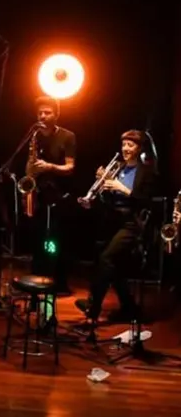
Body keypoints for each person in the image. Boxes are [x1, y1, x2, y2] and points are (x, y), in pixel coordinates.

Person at [76, 130, 157, 323]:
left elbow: (145, 200)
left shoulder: (146, 171)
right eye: (124, 145)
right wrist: (100, 187)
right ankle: (130, 308)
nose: (126, 149)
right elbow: (108, 198)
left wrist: (122, 188)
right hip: (113, 220)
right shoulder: (119, 168)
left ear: (139, 148)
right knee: (114, 268)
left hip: (132, 222)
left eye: (130, 145)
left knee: (107, 258)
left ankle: (93, 307)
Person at [25, 97, 76, 292]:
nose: (43, 116)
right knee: (37, 238)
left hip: (59, 194)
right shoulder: (35, 135)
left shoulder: (68, 136)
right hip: (39, 192)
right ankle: (37, 279)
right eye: (40, 113)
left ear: (56, 114)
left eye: (47, 112)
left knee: (56, 239)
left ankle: (59, 281)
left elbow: (71, 167)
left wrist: (50, 167)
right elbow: (30, 164)